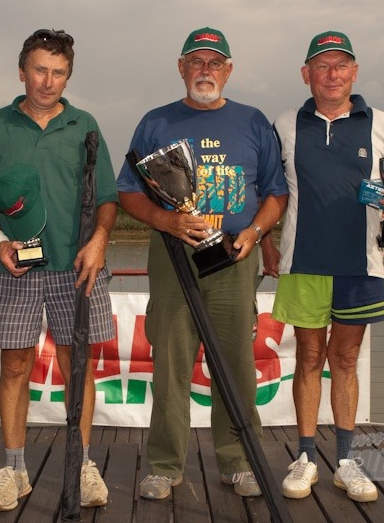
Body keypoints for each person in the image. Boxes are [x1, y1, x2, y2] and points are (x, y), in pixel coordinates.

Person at [116, 27, 288, 500]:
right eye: (197, 62)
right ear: (181, 67)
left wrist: (255, 233)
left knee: (234, 365)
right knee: (170, 364)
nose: (205, 71)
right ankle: (165, 466)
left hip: (235, 256)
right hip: (173, 256)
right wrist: (165, 222)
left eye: (215, 63)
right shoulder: (155, 122)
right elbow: (127, 191)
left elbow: (276, 192)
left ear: (228, 71)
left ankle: (238, 461)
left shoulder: (253, 122)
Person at [0, 29, 118, 511]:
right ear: (22, 70)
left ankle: (83, 463)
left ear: (69, 75)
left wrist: (100, 241)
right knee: (14, 366)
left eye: (59, 72)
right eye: (40, 70)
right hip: (11, 270)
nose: (49, 82)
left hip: (76, 267)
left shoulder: (85, 124)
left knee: (78, 366)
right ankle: (14, 469)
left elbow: (107, 198)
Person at [270, 31, 384, 502]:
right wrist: (262, 238)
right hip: (302, 264)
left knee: (344, 360)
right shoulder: (284, 124)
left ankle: (345, 460)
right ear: (307, 75)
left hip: (362, 266)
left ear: (355, 72)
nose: (331, 74)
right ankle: (304, 457)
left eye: (340, 65)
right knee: (307, 358)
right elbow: (270, 192)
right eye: (321, 66)